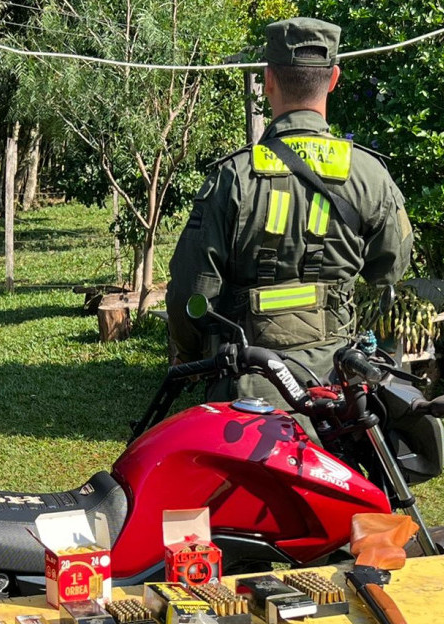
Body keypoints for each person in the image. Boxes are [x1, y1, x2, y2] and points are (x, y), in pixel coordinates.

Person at [166, 17, 413, 416]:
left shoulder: (233, 177)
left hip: (245, 390)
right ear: (333, 79)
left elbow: (191, 292)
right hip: (337, 388)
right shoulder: (369, 174)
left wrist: (191, 353)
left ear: (268, 81)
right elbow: (389, 268)